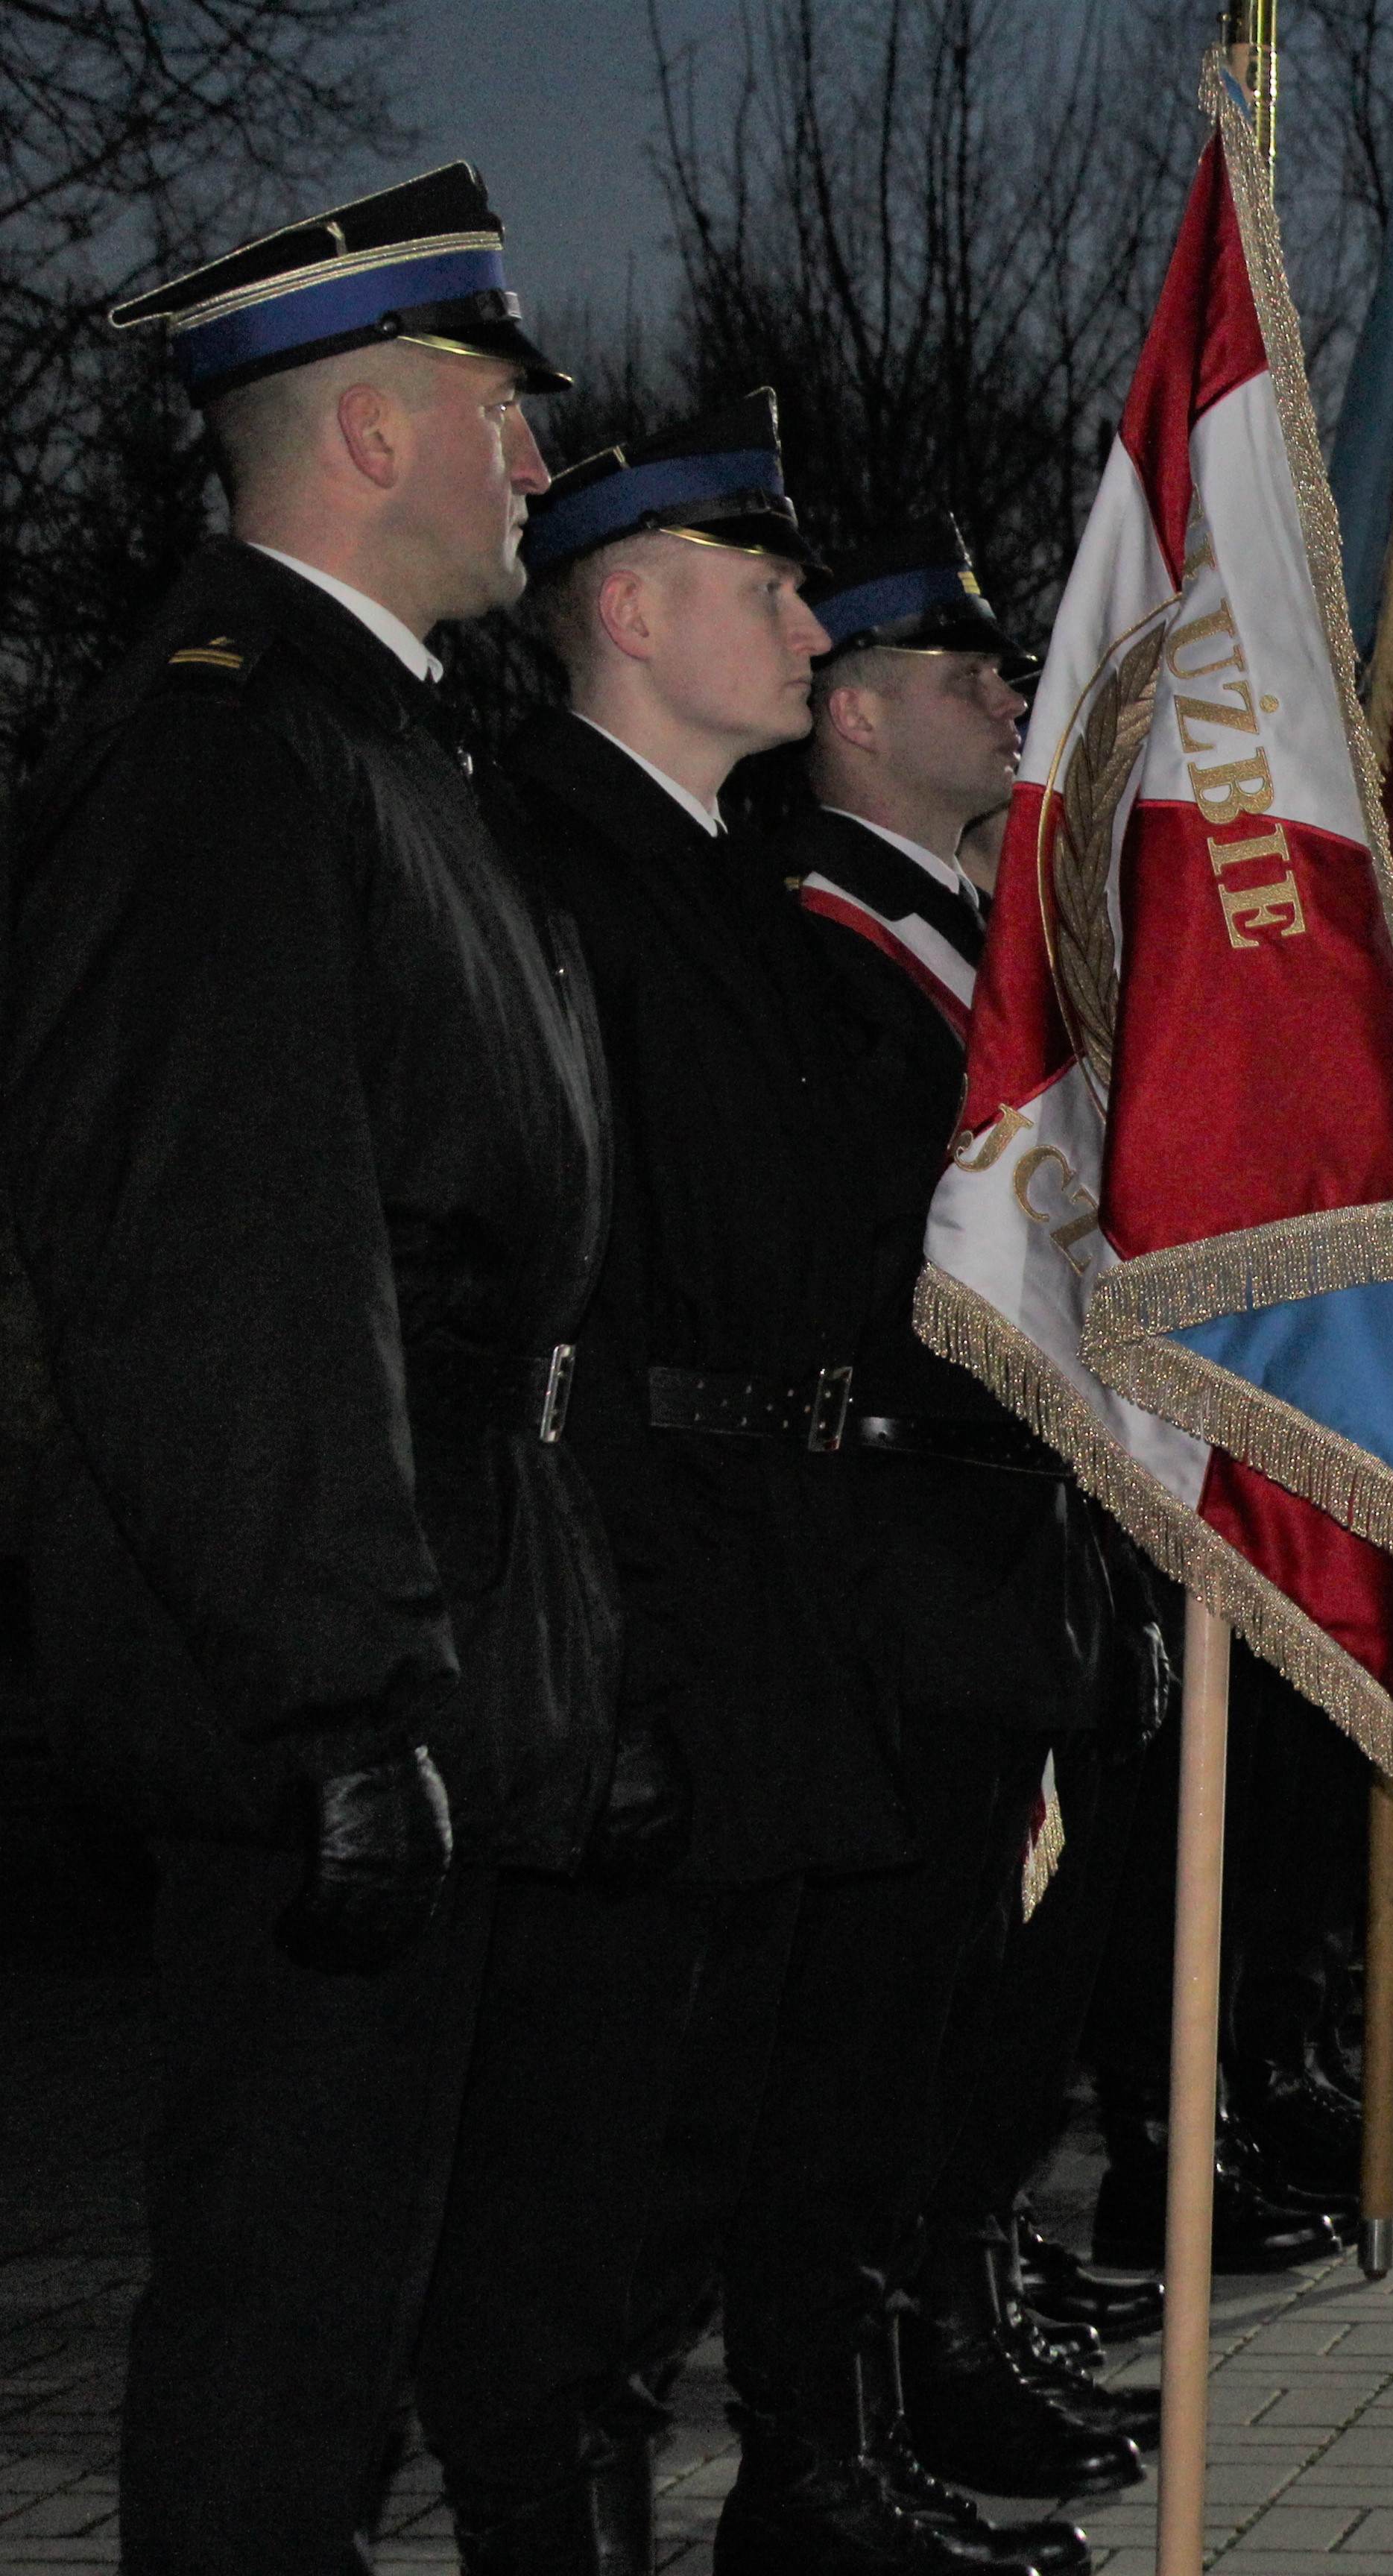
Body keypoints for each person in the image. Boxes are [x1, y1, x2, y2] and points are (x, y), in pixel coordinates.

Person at [0, 163, 609, 2575]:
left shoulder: (380, 744)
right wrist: (344, 1700)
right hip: (327, 1680)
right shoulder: (227, 753)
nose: (536, 460)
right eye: (500, 410)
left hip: (429, 1637)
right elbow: (222, 1269)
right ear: (371, 430)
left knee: (366, 2303)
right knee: (284, 2339)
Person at [438, 400, 1101, 2574]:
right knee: (599, 2186)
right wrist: (612, 1640)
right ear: (631, 612)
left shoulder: (708, 885)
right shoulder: (551, 868)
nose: (810, 634)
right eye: (770, 591)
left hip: (795, 1579)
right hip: (668, 1590)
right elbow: (574, 1294)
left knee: (769, 2111)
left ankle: (803, 2480)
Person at [765, 520, 1169, 2513]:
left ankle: (954, 2323)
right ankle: (862, 2412)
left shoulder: (952, 941)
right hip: (906, 1563)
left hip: (1014, 1558)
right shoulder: (809, 943)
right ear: (852, 712)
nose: (1011, 697)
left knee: (993, 2012)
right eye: (963, 672)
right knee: (882, 2039)